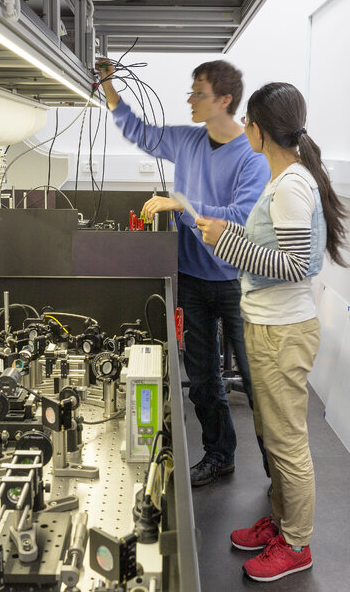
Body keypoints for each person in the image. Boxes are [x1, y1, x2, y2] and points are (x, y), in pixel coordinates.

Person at [196, 82, 349, 582]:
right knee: (270, 431)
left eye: (247, 122)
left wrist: (227, 245)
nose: (243, 129)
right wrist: (229, 235)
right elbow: (277, 254)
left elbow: (293, 266)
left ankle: (298, 544)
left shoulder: (291, 187)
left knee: (287, 443)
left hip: (283, 332)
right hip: (269, 326)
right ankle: (282, 524)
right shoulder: (282, 179)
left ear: (259, 130)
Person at [96, 58, 270, 487]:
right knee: (204, 381)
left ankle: (279, 475)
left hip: (236, 283)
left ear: (225, 100)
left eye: (199, 93)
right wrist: (108, 87)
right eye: (191, 92)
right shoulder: (187, 142)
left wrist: (183, 205)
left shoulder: (252, 157)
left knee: (255, 383)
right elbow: (139, 131)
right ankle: (218, 455)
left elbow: (240, 217)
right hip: (191, 279)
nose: (191, 100)